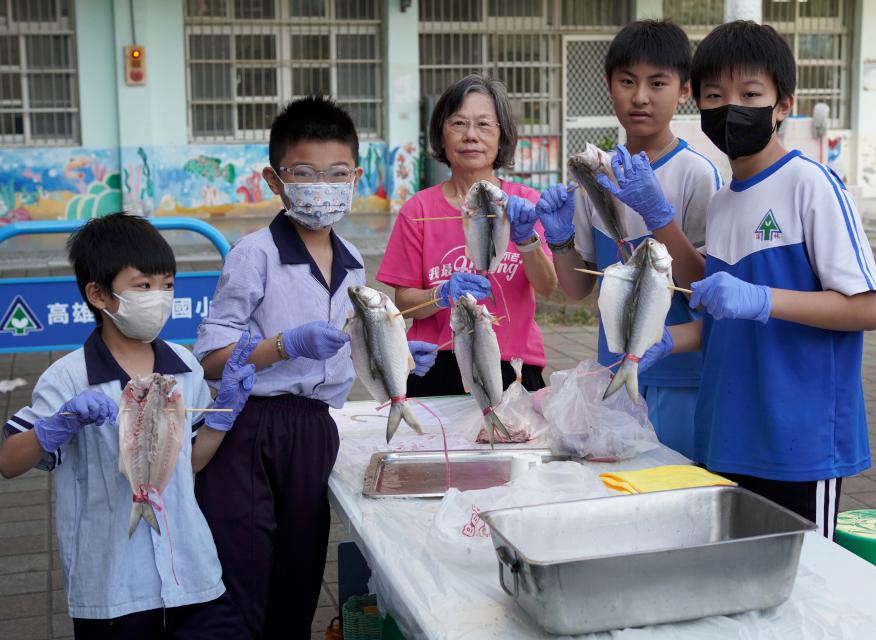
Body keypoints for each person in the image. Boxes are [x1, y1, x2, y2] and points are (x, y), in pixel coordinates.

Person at [191, 95, 436, 640]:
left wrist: (395, 358)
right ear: (275, 180)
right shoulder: (253, 254)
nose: (321, 187)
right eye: (305, 173)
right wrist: (283, 345)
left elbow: (341, 347)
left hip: (315, 429)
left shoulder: (351, 259)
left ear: (356, 177)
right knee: (243, 573)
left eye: (337, 174)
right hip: (249, 428)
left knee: (300, 573)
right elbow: (211, 360)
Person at [641, 21, 876, 538]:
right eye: (714, 95)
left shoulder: (811, 184)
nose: (731, 107)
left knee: (803, 590)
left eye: (750, 93)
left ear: (782, 106)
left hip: (799, 443)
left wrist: (761, 297)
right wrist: (663, 341)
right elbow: (730, 319)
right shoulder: (724, 201)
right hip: (727, 434)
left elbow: (867, 309)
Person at [0, 212, 255, 639]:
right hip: (113, 587)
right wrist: (54, 427)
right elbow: (8, 462)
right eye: (143, 286)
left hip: (193, 574)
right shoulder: (67, 377)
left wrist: (222, 416)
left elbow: (189, 463)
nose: (160, 297)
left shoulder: (186, 366)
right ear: (99, 295)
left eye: (167, 285)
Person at [536, 20, 720, 458]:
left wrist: (660, 218)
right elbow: (579, 289)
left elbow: (704, 289)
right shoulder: (593, 177)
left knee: (678, 496)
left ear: (684, 92)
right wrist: (558, 238)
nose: (640, 96)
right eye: (627, 82)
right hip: (612, 374)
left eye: (658, 83)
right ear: (609, 86)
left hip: (682, 379)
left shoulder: (698, 174)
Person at [377, 74, 558, 395]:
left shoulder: (525, 203)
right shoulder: (418, 210)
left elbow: (547, 286)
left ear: (502, 136)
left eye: (484, 125)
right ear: (441, 134)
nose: (471, 135)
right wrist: (440, 294)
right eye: (459, 123)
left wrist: (527, 240)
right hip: (435, 363)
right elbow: (403, 305)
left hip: (512, 365)